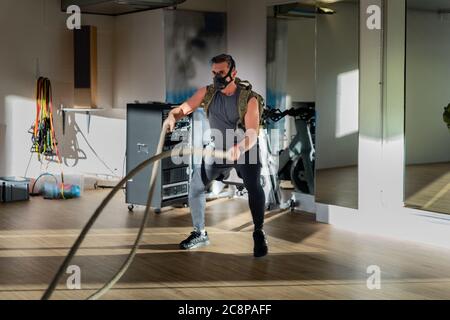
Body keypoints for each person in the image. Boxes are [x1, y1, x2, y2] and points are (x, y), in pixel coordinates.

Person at [165, 54, 268, 258]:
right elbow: (183, 109)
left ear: (233, 73)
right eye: (214, 73)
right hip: (218, 149)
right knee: (196, 185)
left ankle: (258, 231)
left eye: (221, 73)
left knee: (254, 186)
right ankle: (199, 232)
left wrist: (239, 147)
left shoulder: (249, 99)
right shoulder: (208, 92)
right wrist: (172, 116)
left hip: (244, 150)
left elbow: (252, 133)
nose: (217, 77)